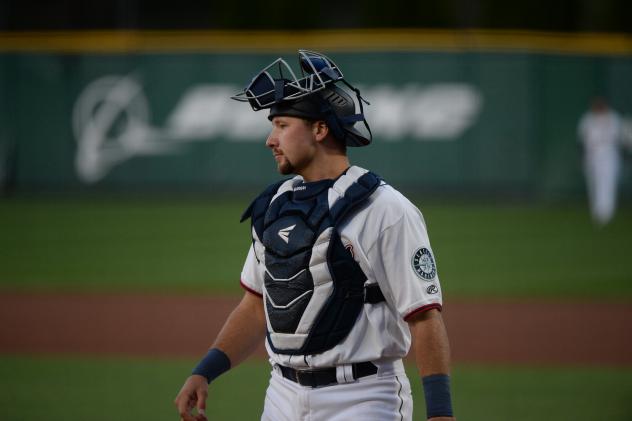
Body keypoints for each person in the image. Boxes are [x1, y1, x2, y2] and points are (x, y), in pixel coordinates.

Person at [174, 50, 455, 421]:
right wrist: (205, 370)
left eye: (282, 125)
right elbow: (255, 307)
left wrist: (440, 413)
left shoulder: (385, 209)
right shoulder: (275, 205)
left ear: (320, 129)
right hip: (282, 395)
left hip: (364, 398)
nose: (270, 140)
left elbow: (424, 317)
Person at [577, 97, 623, 226]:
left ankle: (606, 213)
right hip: (592, 154)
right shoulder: (587, 119)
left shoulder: (614, 118)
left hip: (609, 153)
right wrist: (581, 157)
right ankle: (597, 212)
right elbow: (581, 140)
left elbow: (620, 139)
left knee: (607, 183)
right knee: (593, 183)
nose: (598, 107)